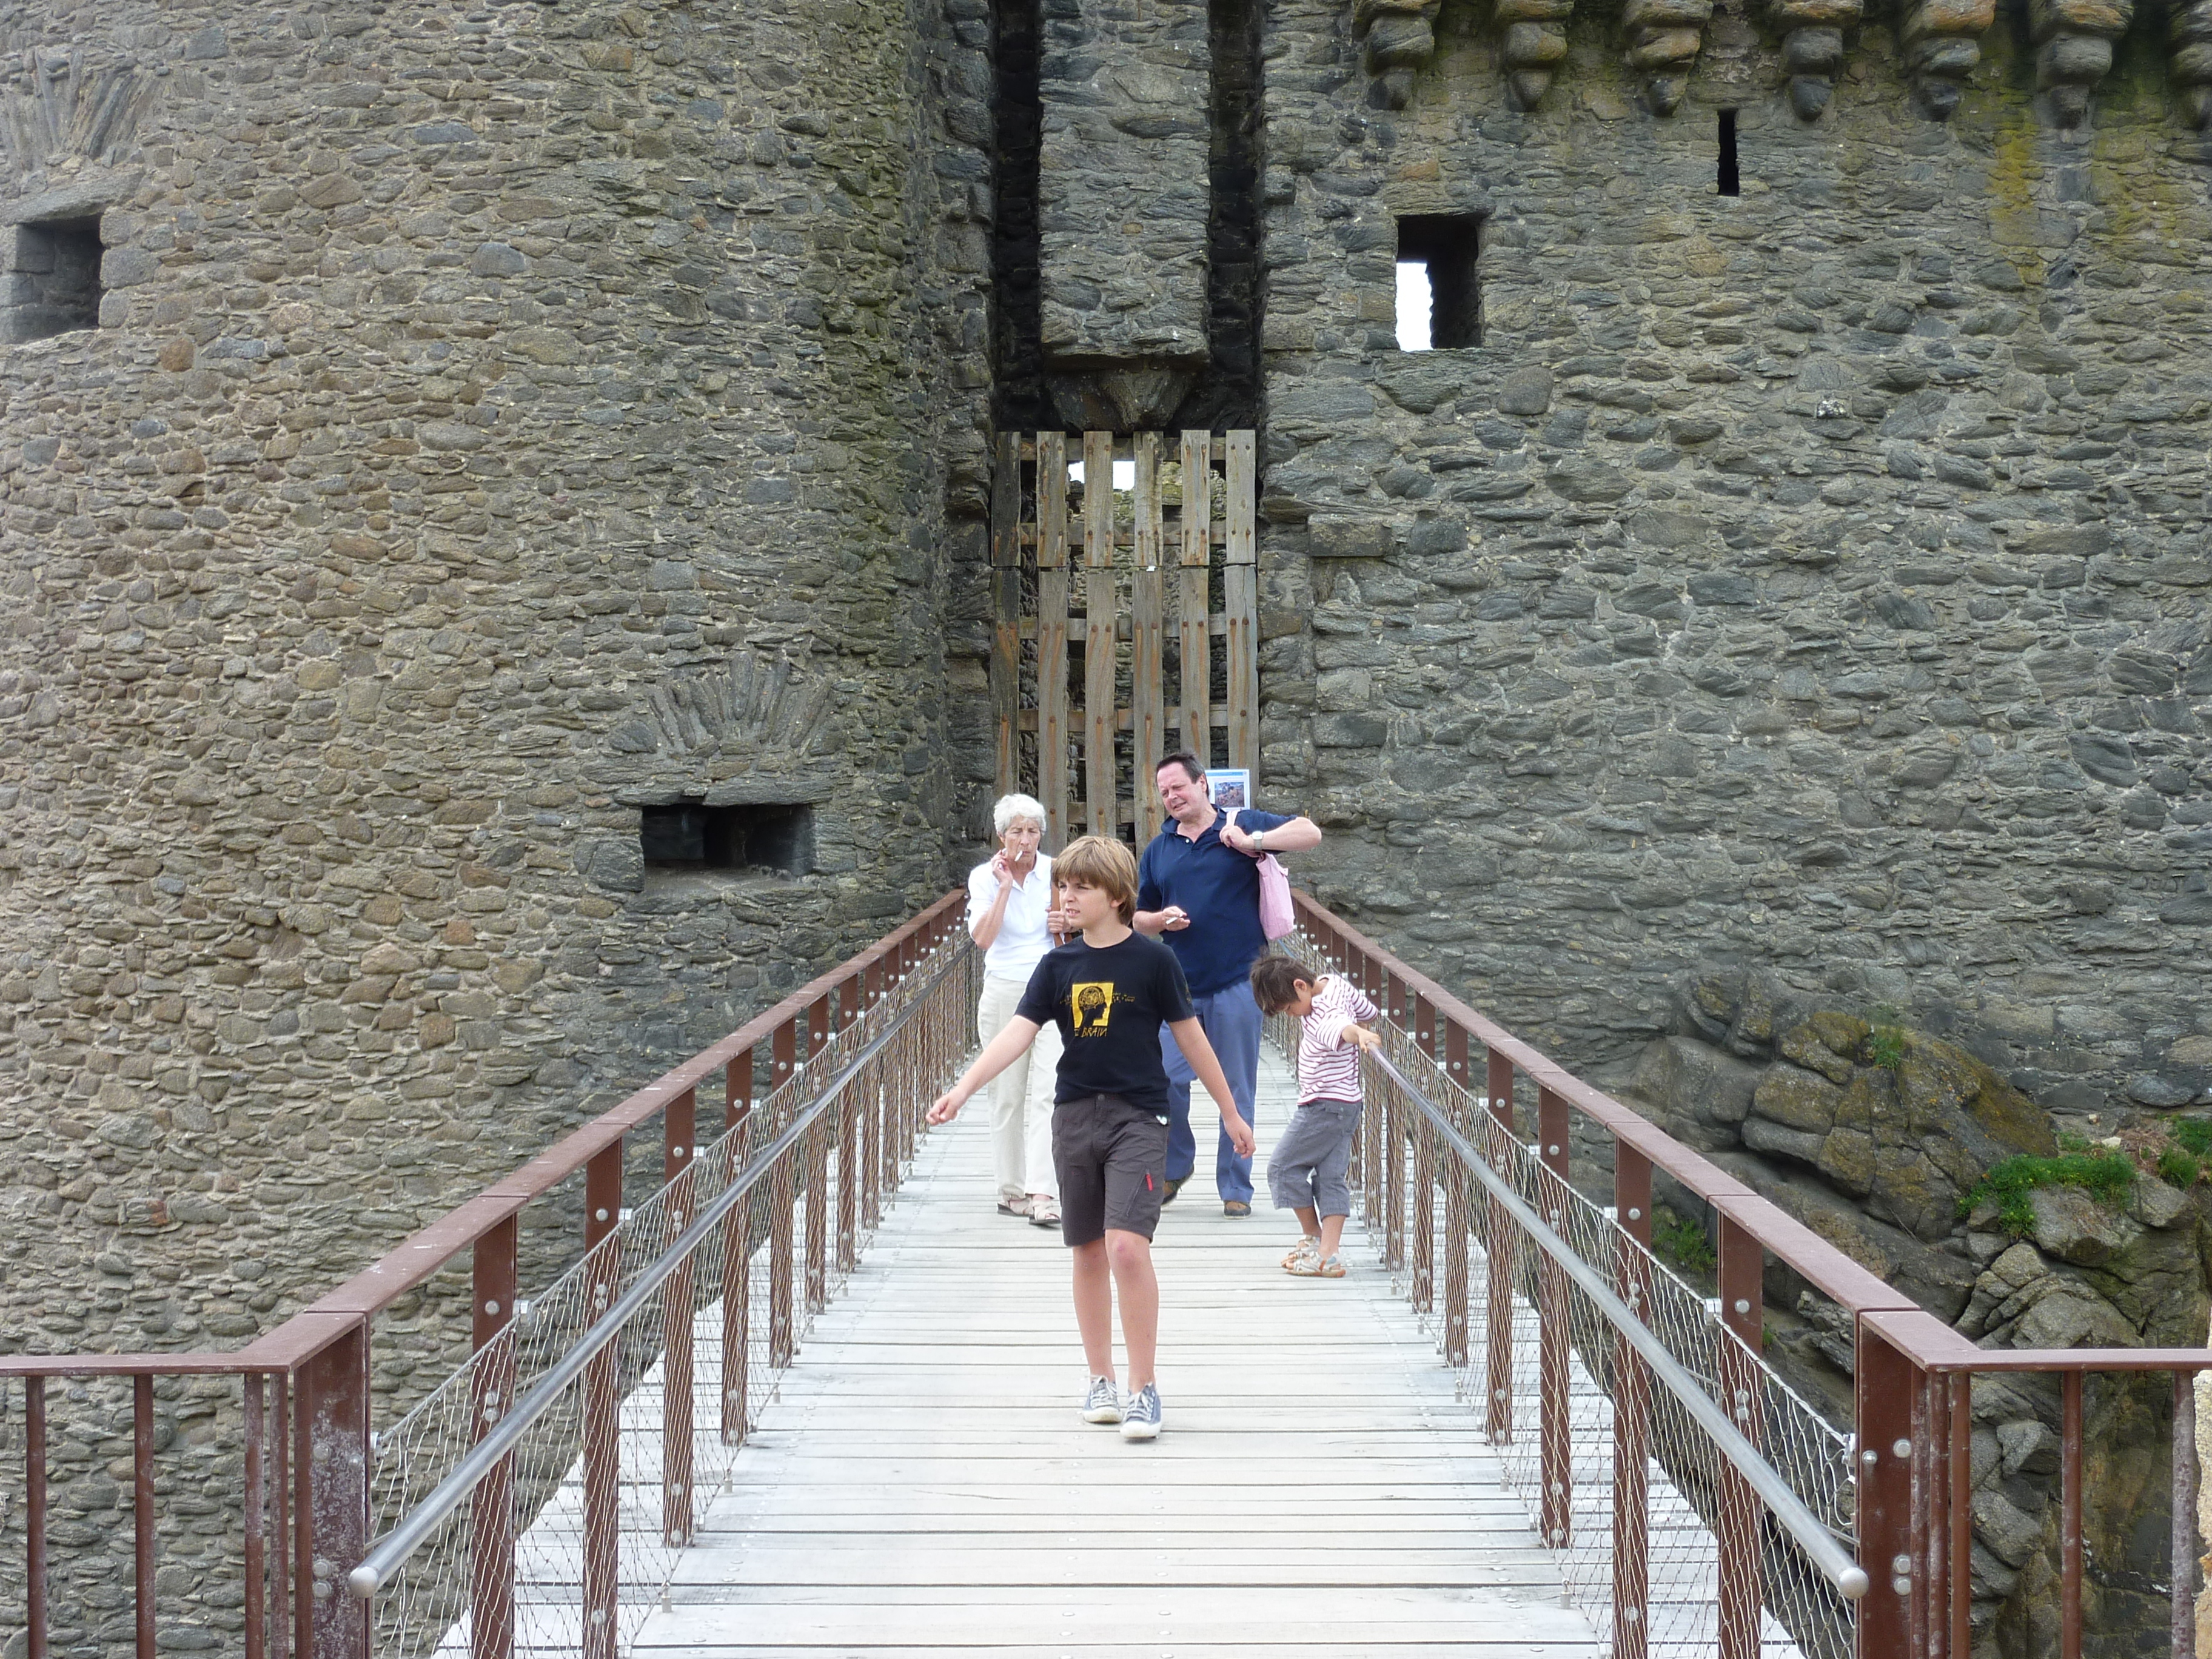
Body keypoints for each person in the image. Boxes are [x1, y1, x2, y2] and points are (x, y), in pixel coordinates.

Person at [928, 835, 1253, 1441]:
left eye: (1081, 887)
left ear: (1116, 895)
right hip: (1075, 1115)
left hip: (1139, 1117)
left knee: (1127, 1246)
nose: (1066, 896)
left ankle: (1144, 1387)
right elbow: (1017, 1036)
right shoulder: (1057, 966)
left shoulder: (1155, 962)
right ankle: (1100, 1380)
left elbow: (1192, 1041)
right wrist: (963, 1088)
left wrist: (1231, 1114)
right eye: (1064, 886)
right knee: (1087, 1251)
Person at [1133, 753, 1323, 1216]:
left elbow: (1311, 833)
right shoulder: (1160, 849)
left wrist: (1252, 841)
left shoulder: (1241, 824)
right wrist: (1161, 920)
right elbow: (1138, 919)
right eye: (1164, 792)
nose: (1172, 797)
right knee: (1164, 1080)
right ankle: (1177, 1166)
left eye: (1179, 787)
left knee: (1237, 1087)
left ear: (1203, 785)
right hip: (1178, 987)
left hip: (1240, 979)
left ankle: (1236, 1188)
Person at [965, 793, 1066, 1228]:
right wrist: (1005, 887)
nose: (1026, 840)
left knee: (1049, 1090)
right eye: (1017, 831)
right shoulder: (983, 878)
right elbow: (984, 939)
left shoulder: (1057, 871)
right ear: (1002, 836)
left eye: (1033, 830)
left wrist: (1069, 924)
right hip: (1005, 988)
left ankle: (1043, 1192)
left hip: (1050, 988)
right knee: (1006, 1094)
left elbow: (1081, 922)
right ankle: (1011, 1191)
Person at [1250, 954, 1379, 1278]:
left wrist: (1359, 1035)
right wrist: (1364, 1027)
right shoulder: (1334, 983)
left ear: (1300, 986)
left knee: (1282, 1169)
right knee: (1331, 1177)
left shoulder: (1321, 1017)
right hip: (1347, 1104)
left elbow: (1343, 1028)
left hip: (1323, 1106)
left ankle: (1314, 1238)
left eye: (1289, 1008)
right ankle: (1329, 1255)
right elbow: (1368, 1012)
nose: (1292, 1016)